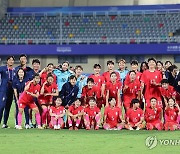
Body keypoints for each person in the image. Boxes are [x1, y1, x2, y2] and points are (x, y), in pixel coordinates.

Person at [0, 56, 16, 128]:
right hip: (4, 90)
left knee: (8, 107)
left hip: (11, 90)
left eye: (12, 60)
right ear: (7, 61)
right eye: (9, 60)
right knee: (1, 107)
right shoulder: (3, 68)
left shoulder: (15, 70)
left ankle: (5, 123)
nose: (11, 61)